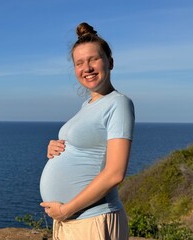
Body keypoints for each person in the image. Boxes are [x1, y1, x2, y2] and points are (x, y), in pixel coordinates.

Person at [39, 22, 135, 240]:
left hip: (93, 220)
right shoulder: (88, 106)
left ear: (109, 62)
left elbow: (115, 173)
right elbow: (87, 145)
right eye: (79, 63)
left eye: (93, 59)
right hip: (74, 222)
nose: (87, 68)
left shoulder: (118, 103)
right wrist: (57, 147)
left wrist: (65, 210)